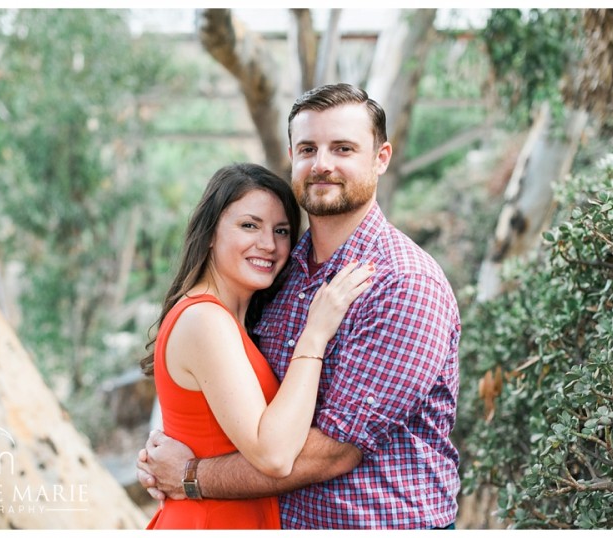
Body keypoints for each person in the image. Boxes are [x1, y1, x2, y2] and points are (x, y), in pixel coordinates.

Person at [138, 84, 461, 529]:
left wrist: (191, 475)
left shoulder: (403, 284)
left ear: (381, 158)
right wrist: (178, 441)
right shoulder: (276, 274)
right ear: (293, 155)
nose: (322, 164)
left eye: (343, 148)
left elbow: (331, 453)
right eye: (308, 148)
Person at [141, 162, 374, 529]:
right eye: (249, 225)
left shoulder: (235, 321)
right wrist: (315, 334)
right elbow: (276, 456)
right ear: (211, 232)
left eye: (281, 231)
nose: (268, 244)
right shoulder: (206, 320)